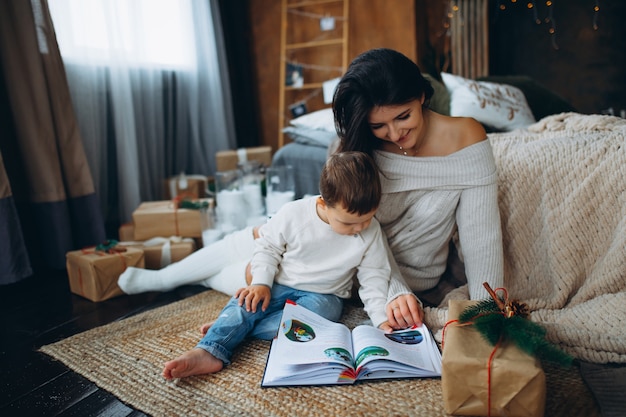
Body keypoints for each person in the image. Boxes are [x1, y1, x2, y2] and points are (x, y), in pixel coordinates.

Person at [162, 151, 392, 379]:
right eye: (349, 222)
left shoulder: (371, 232)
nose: (360, 227)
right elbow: (267, 248)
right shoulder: (294, 214)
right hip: (279, 283)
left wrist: (381, 318)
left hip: (325, 296)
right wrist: (261, 283)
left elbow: (375, 277)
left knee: (314, 321)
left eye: (367, 218)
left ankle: (236, 328)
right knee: (247, 302)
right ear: (323, 203)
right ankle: (208, 350)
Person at [332, 47, 504, 330]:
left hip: (423, 283)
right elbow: (358, 229)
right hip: (359, 275)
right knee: (250, 266)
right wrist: (394, 290)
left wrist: (490, 306)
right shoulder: (362, 148)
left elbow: (481, 235)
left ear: (421, 96)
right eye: (379, 125)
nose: (395, 133)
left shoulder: (466, 137)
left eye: (403, 116)